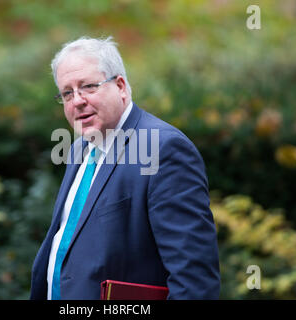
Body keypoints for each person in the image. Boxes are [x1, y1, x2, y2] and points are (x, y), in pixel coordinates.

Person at [30, 36, 220, 300]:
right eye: (67, 93)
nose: (77, 101)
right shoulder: (79, 149)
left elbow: (194, 279)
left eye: (88, 87)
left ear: (120, 86)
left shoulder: (162, 149)